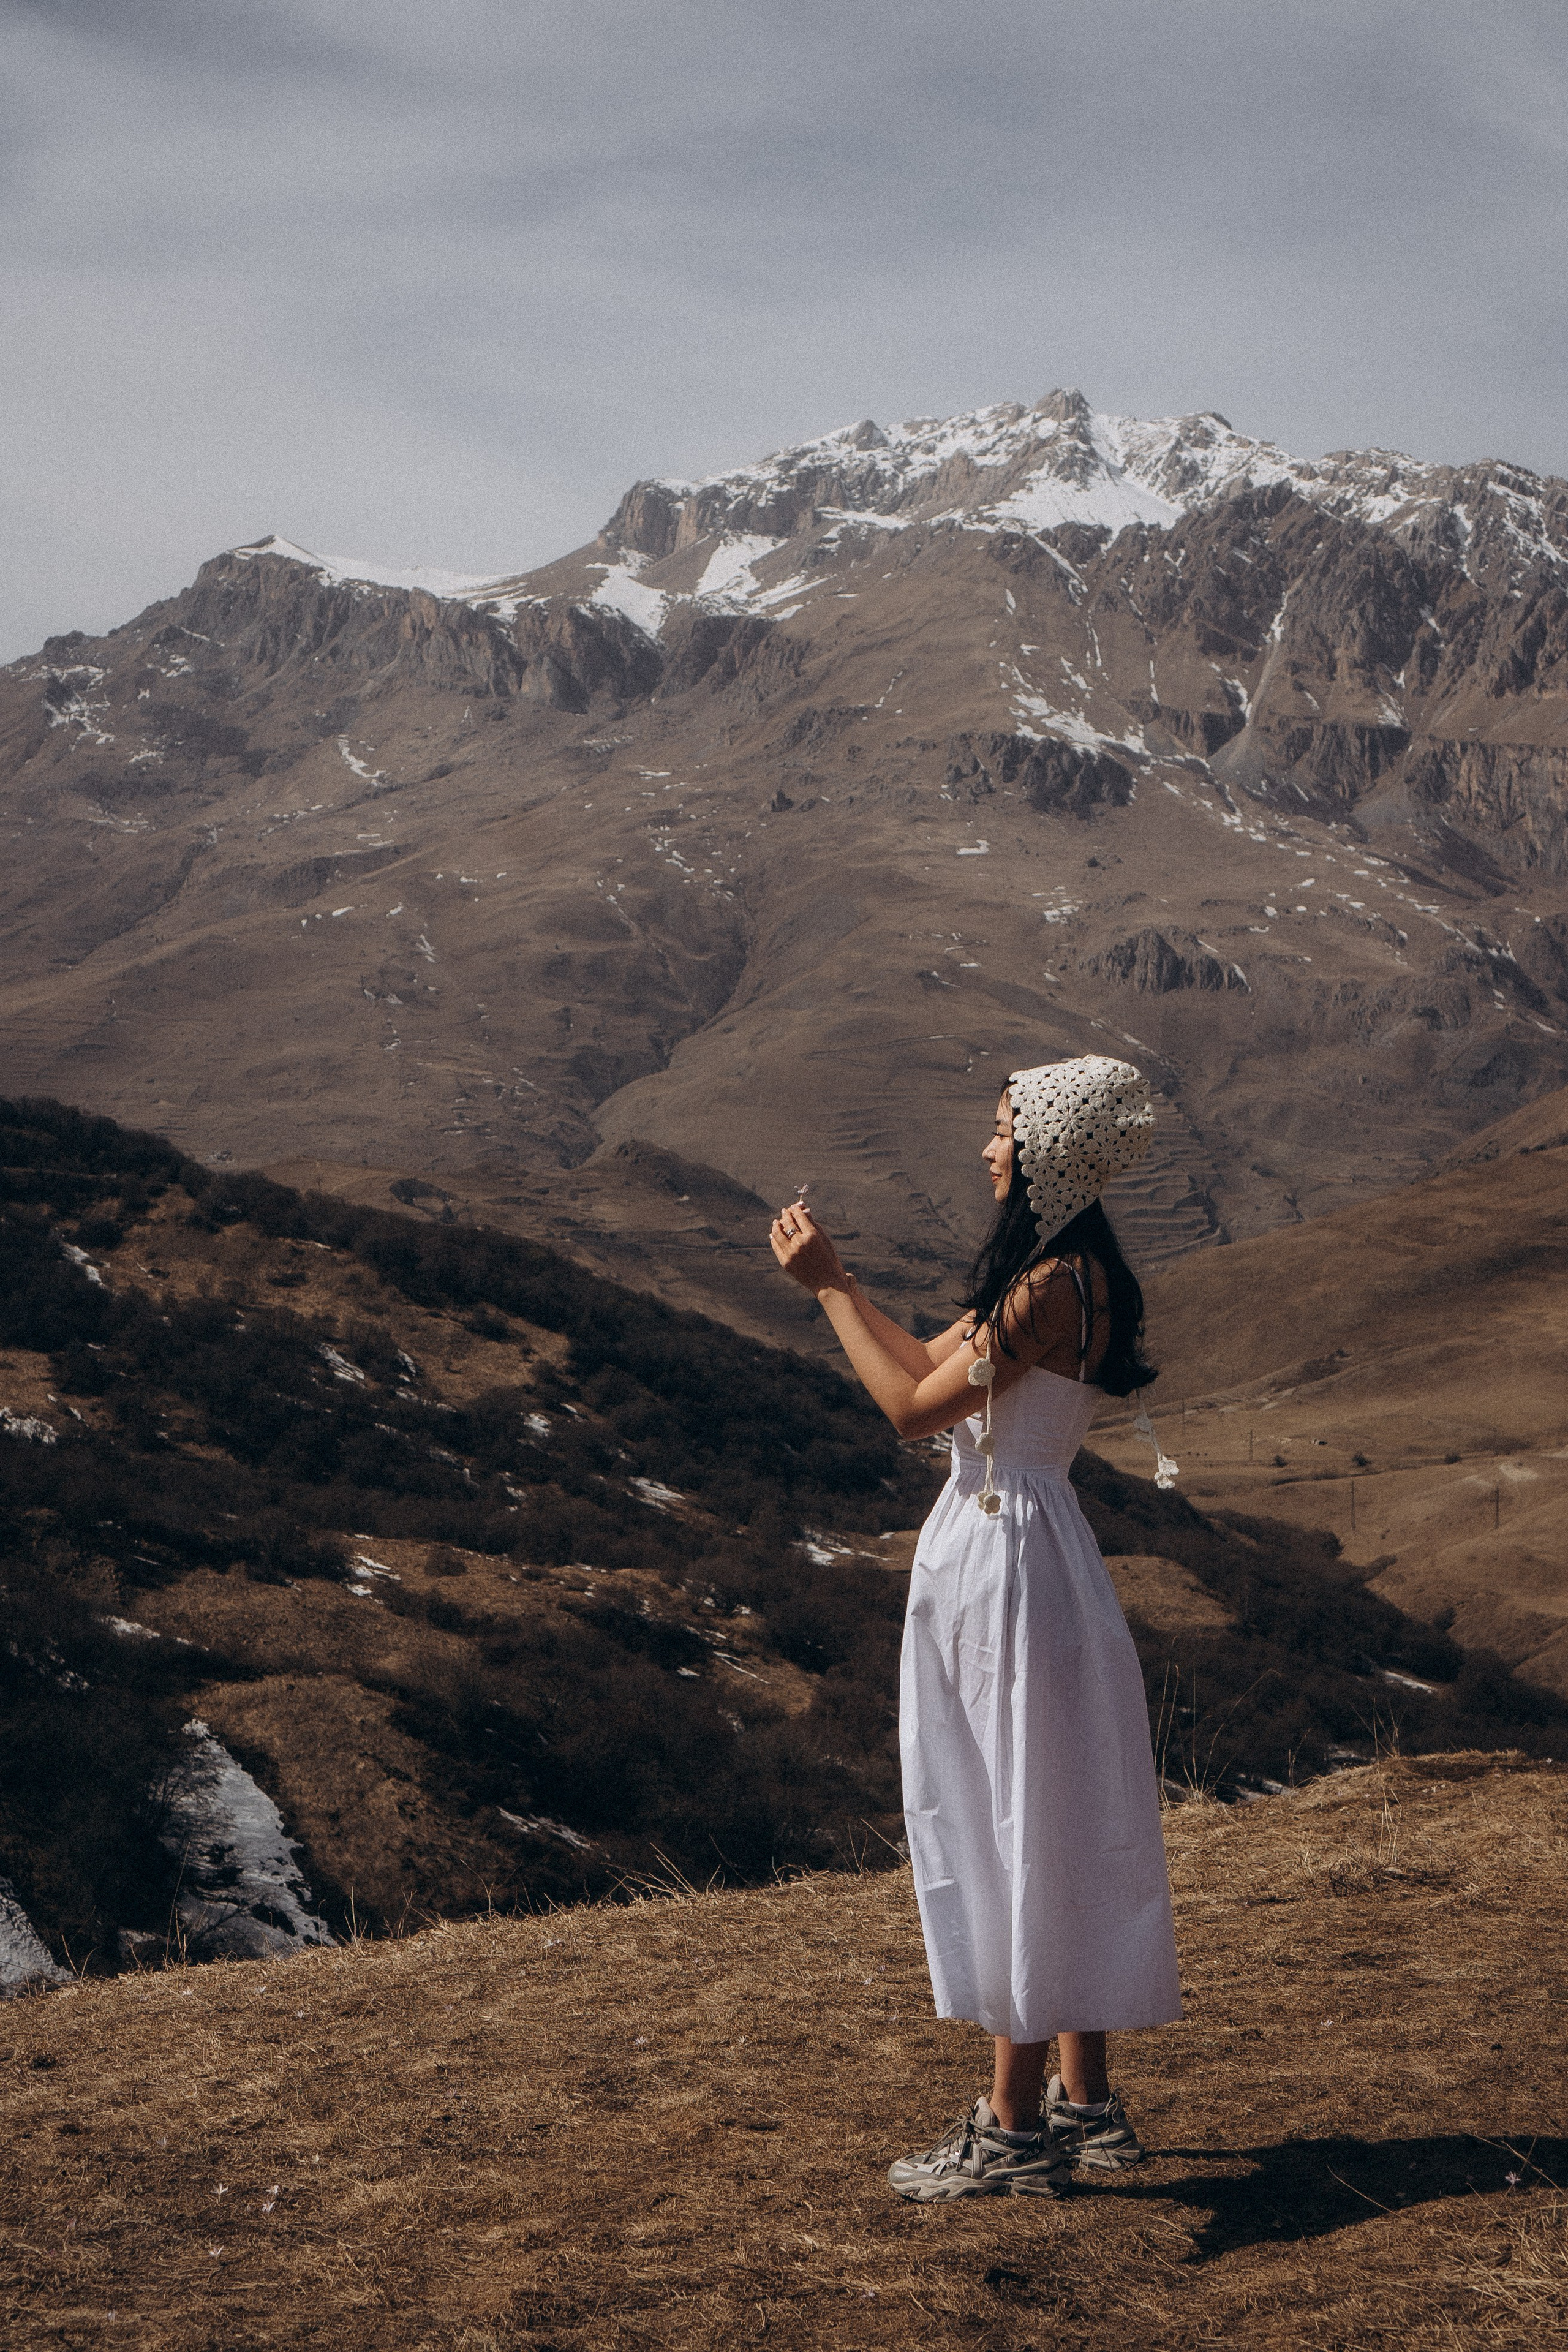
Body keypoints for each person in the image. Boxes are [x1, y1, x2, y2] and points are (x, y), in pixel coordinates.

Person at [769, 1055, 1182, 2203]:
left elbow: (908, 1413)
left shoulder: (1050, 1286)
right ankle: (1084, 2101)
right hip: (1037, 1551)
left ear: (1052, 1149)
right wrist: (848, 1294)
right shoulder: (1070, 1275)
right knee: (1051, 1809)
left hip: (1004, 1562)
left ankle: (1011, 2128)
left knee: (1010, 1820)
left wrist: (828, 1287)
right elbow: (933, 1371)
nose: (988, 1148)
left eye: (1005, 1130)